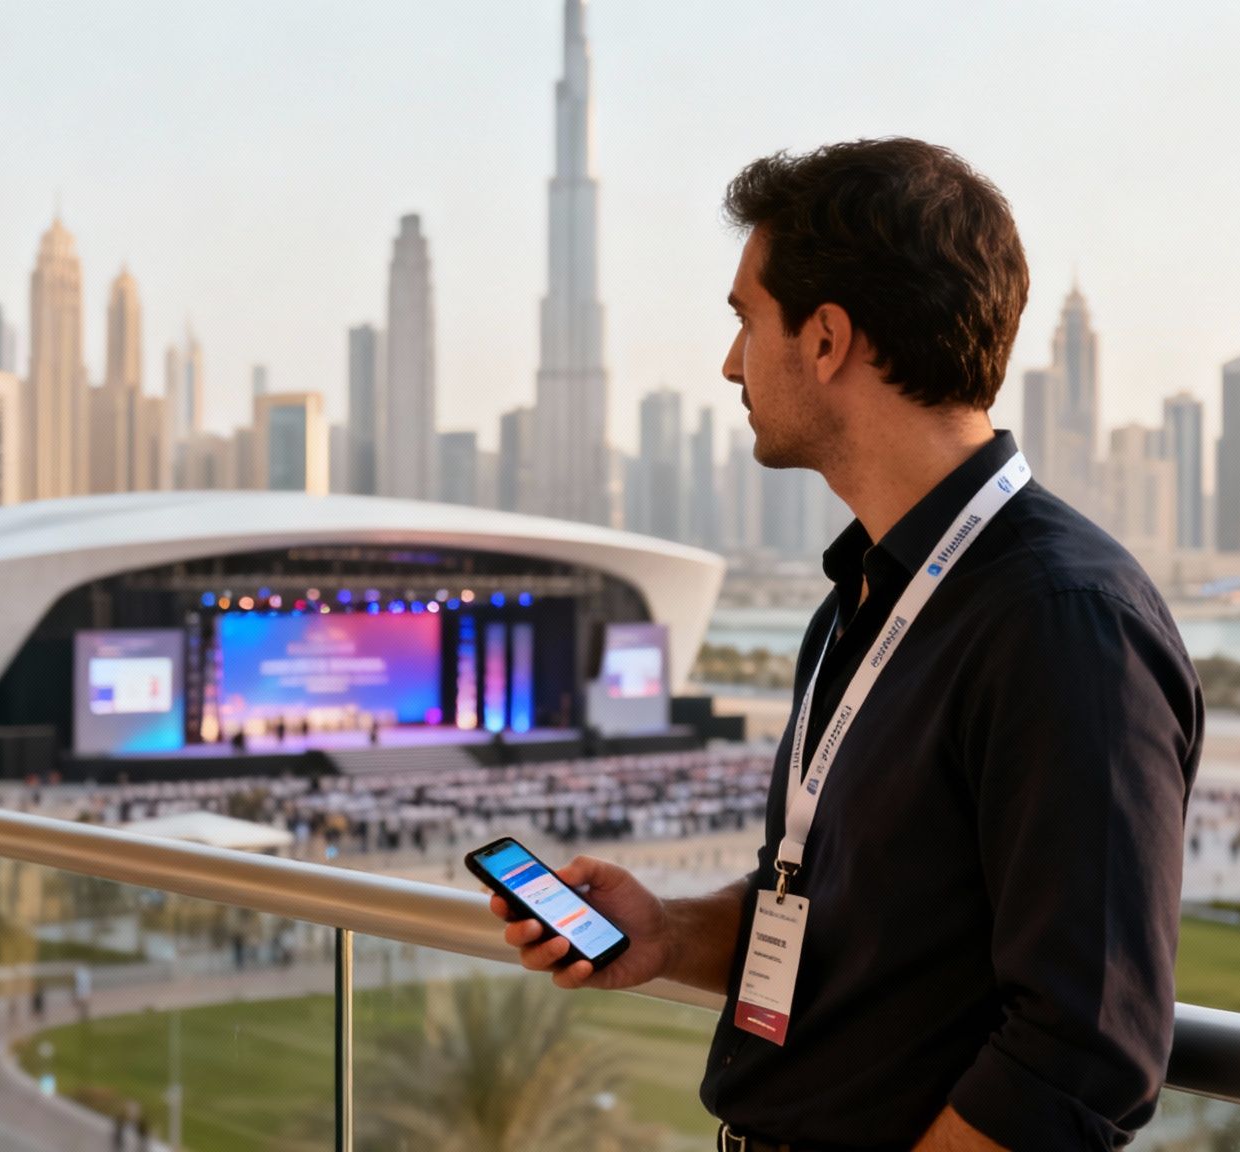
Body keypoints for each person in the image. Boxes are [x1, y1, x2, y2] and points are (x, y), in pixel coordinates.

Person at [492, 139, 1201, 1151]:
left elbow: (1081, 1051)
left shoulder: (1060, 619)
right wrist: (668, 932)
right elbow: (846, 914)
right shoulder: (861, 595)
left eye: (744, 320)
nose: (729, 362)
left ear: (825, 339)